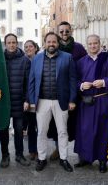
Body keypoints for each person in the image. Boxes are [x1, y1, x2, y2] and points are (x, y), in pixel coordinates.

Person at [28, 32, 77, 172]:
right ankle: (42, 158)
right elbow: (31, 81)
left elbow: (72, 80)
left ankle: (63, 158)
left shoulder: (67, 57)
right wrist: (32, 101)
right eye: (48, 42)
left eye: (54, 42)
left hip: (60, 101)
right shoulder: (36, 59)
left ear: (58, 43)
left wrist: (72, 100)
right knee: (41, 132)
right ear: (44, 43)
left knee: (62, 132)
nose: (51, 44)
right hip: (42, 101)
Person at [74, 34, 108, 173]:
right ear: (86, 45)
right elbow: (74, 81)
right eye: (90, 44)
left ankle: (102, 160)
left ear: (99, 43)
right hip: (85, 102)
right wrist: (82, 85)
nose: (93, 46)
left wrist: (104, 82)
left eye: (95, 43)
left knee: (103, 130)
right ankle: (84, 158)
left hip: (102, 100)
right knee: (84, 131)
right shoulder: (81, 62)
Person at [48, 21, 87, 160]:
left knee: (77, 122)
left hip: (76, 89)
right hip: (58, 92)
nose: (64, 33)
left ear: (71, 31)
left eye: (67, 31)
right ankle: (58, 150)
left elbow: (85, 67)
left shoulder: (79, 48)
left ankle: (81, 153)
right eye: (61, 31)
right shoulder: (53, 47)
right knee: (57, 123)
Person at [0, 33, 31, 168]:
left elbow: (29, 83)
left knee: (18, 130)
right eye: (9, 42)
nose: (11, 45)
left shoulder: (24, 60)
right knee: (3, 130)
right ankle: (5, 155)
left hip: (19, 101)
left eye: (14, 42)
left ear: (17, 44)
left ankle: (19, 154)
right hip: (4, 102)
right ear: (5, 44)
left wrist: (27, 100)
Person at [23, 40, 39, 161]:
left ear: (35, 48)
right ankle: (33, 150)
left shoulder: (40, 60)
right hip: (28, 99)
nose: (28, 48)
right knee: (31, 126)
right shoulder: (23, 62)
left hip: (40, 98)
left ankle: (41, 150)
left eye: (30, 46)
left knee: (41, 127)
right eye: (26, 47)